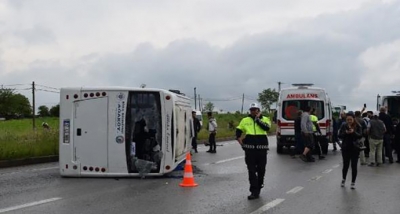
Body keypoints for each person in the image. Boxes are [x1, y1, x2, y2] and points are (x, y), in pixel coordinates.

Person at [236, 103, 271, 200]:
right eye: (251, 109)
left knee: (261, 170)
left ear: (258, 110)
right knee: (251, 171)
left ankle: (259, 186)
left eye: (255, 109)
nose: (253, 111)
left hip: (261, 149)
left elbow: (267, 128)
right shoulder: (245, 120)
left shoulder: (265, 119)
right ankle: (253, 191)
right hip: (250, 150)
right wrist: (241, 143)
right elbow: (238, 133)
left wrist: (258, 119)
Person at [339, 112, 362, 189]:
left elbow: (360, 135)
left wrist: (353, 132)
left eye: (350, 119)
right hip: (345, 148)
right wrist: (345, 132)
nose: (349, 121)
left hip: (355, 148)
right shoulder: (343, 125)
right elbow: (339, 135)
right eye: (347, 119)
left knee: (354, 166)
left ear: (353, 119)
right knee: (345, 165)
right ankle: (343, 179)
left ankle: (353, 182)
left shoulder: (358, 125)